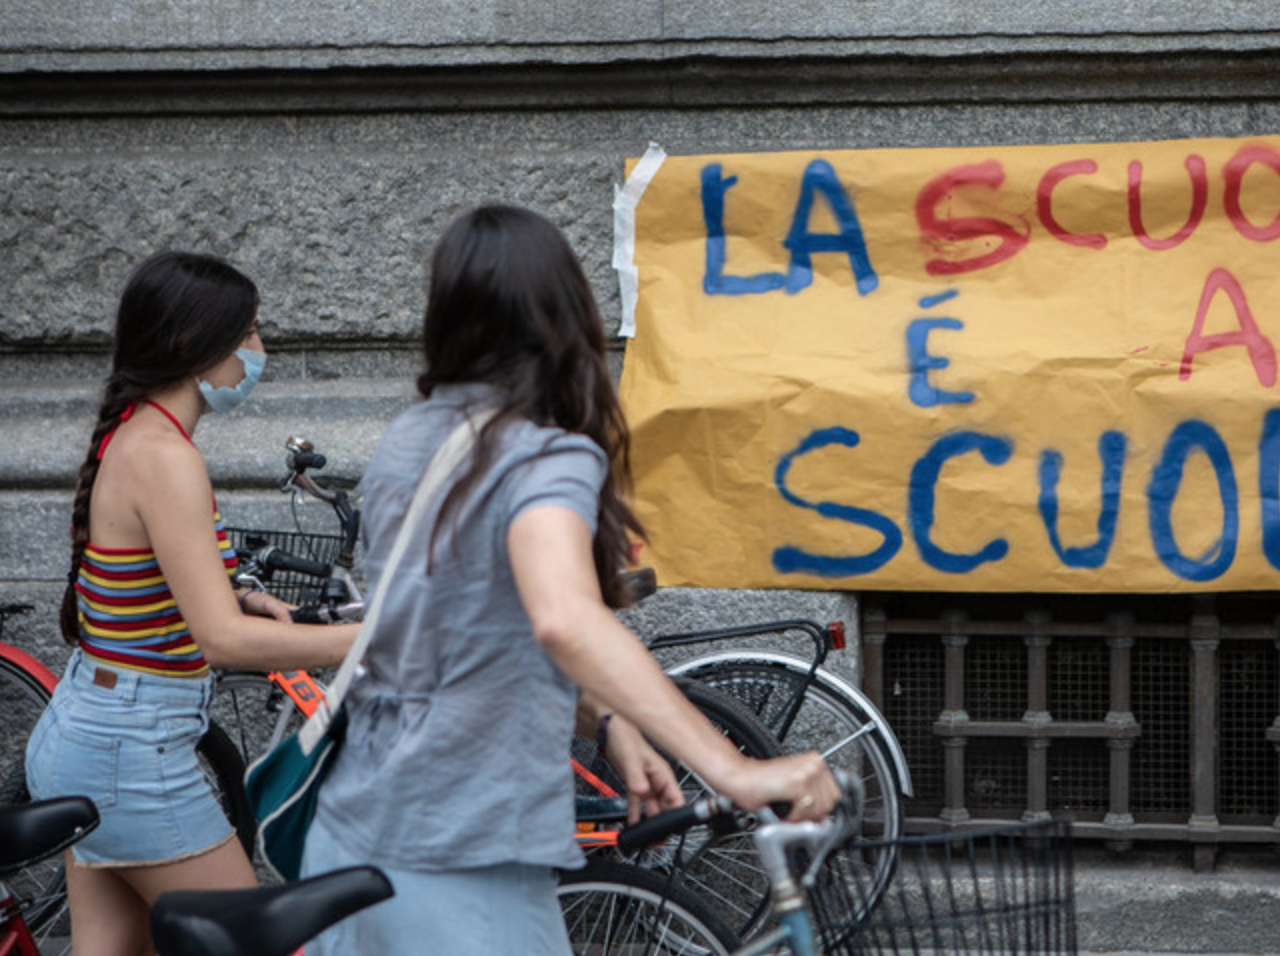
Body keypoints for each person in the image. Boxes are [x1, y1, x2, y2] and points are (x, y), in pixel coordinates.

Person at [301, 204, 840, 955]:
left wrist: (613, 724)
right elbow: (562, 615)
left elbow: (483, 630)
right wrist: (735, 770)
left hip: (355, 838)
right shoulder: (544, 454)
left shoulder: (410, 440)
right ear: (566, 314)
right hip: (466, 855)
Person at [24, 251, 360, 956]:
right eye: (250, 334)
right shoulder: (166, 456)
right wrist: (366, 640)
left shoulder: (138, 435)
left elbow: (139, 586)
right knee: (256, 945)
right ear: (191, 346)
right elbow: (223, 645)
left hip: (91, 734)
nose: (259, 352)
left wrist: (237, 594)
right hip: (129, 753)